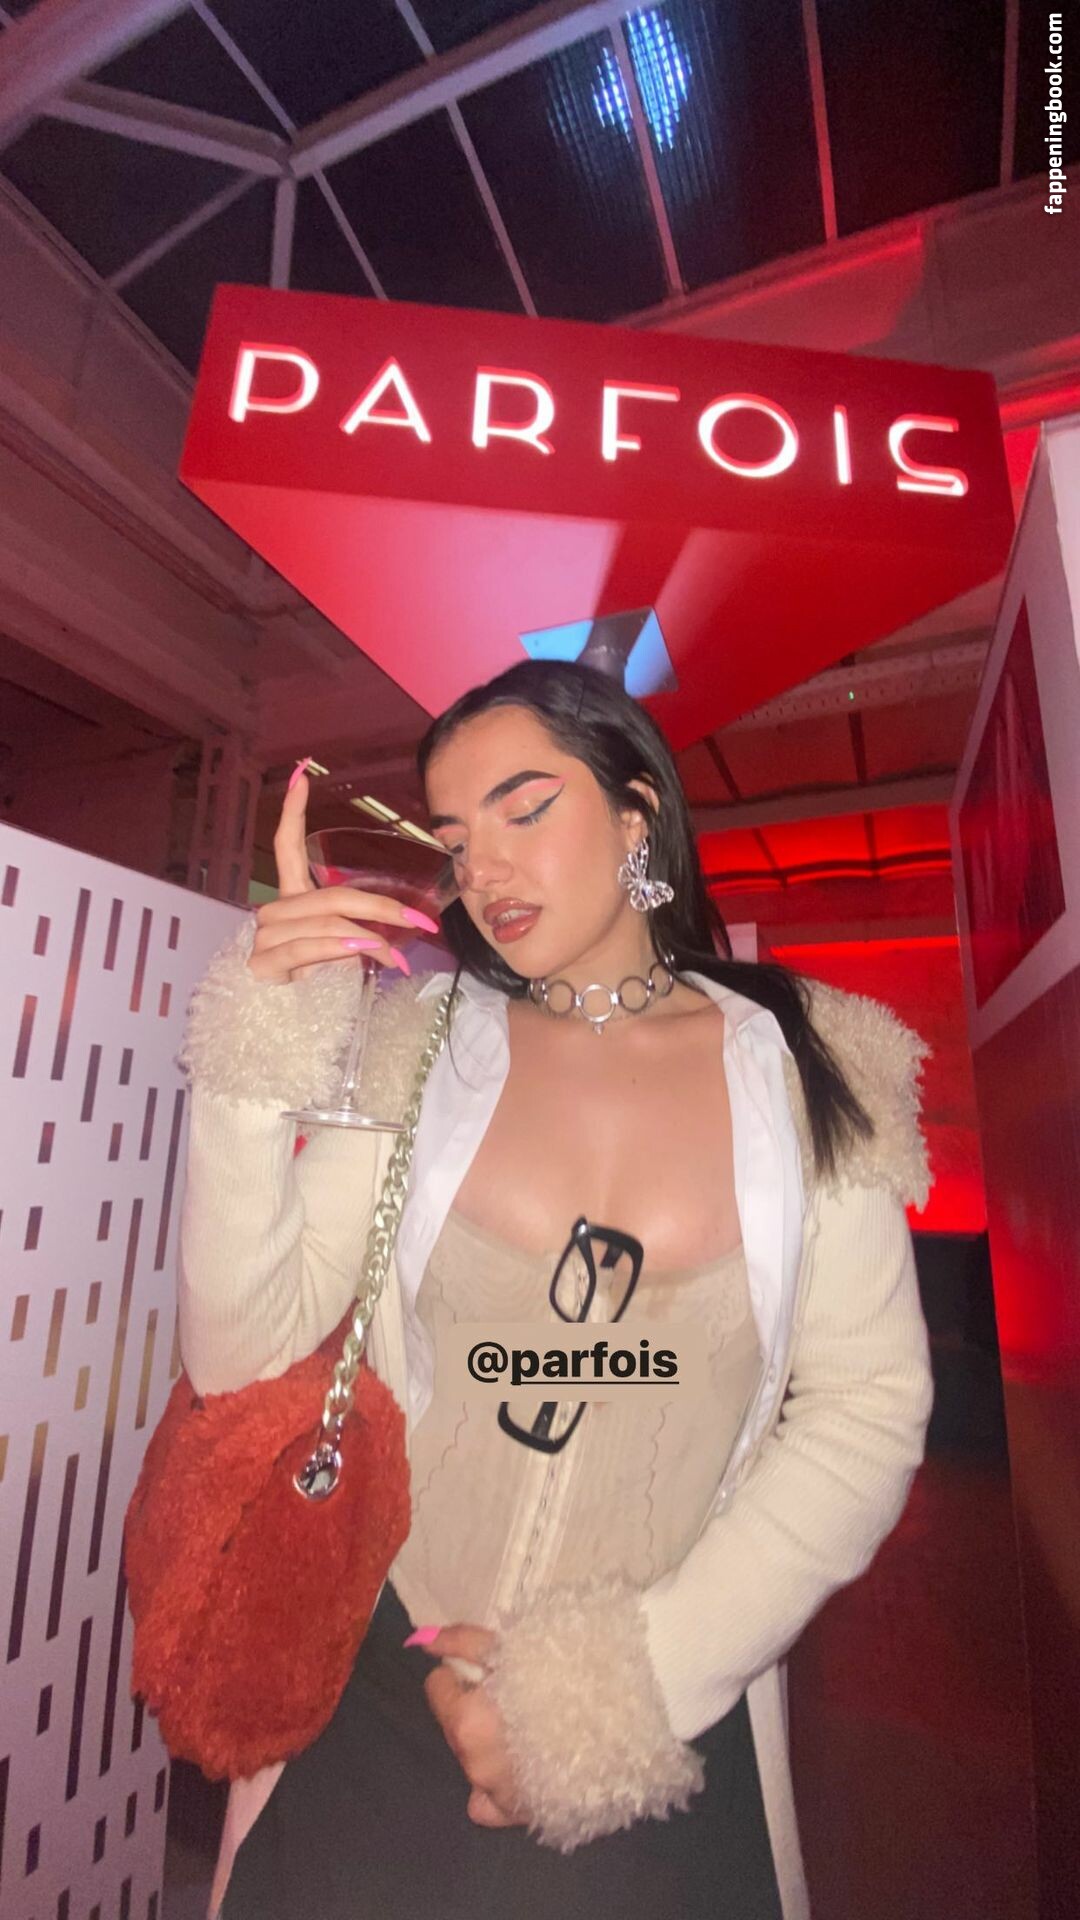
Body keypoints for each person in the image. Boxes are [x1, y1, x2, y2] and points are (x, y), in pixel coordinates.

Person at [176, 660, 934, 1920]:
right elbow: (240, 1356)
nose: (484, 868)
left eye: (525, 808)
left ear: (638, 813)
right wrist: (256, 1060)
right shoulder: (420, 1041)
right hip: (382, 1684)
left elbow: (865, 1406)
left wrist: (621, 1691)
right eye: (455, 837)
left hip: (658, 1719)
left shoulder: (817, 1061)